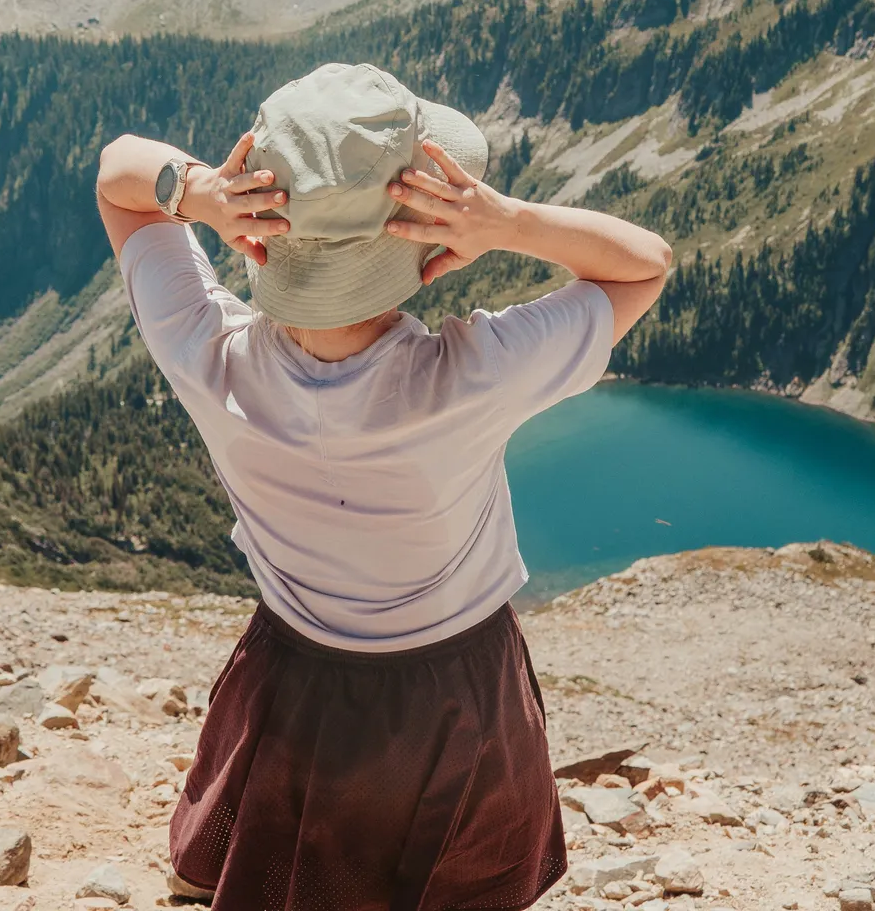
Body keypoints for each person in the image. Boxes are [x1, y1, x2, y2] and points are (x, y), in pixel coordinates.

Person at [96, 61, 670, 911]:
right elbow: (643, 265)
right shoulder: (473, 376)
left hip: (293, 672)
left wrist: (203, 196)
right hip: (459, 690)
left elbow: (119, 177)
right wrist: (504, 222)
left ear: (267, 223)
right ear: (418, 232)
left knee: (290, 872)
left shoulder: (205, 355)